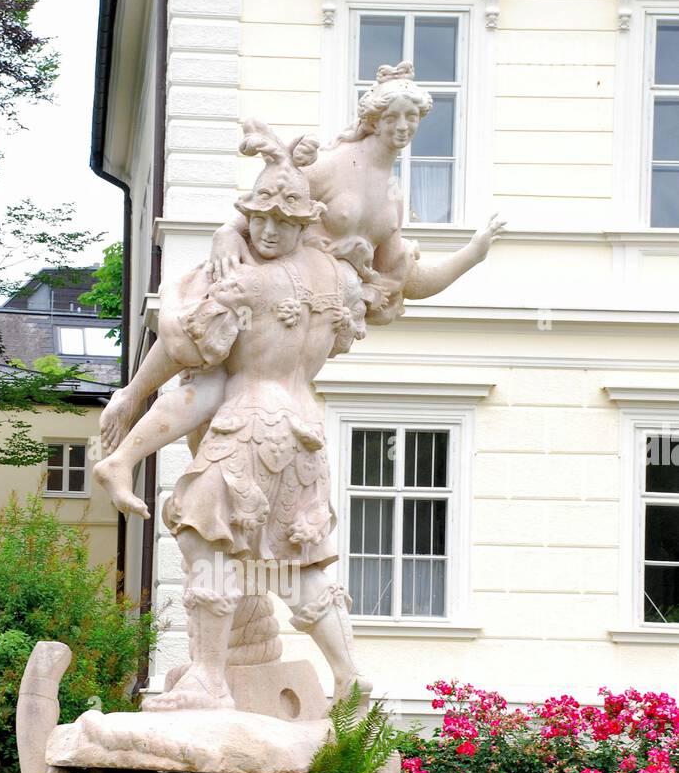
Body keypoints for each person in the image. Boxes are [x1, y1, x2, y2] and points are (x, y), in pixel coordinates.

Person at [94, 61, 505, 507]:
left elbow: (403, 279)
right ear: (372, 119)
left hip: (314, 309)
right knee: (202, 350)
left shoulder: (392, 195)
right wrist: (228, 232)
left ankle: (138, 458)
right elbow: (269, 199)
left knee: (227, 395)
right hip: (274, 287)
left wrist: (472, 254)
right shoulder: (333, 165)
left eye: (412, 117)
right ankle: (131, 409)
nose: (403, 127)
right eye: (392, 116)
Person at [115, 122, 371, 711]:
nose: (269, 230)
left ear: (304, 222)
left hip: (250, 423)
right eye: (257, 219)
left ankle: (208, 678)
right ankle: (349, 674)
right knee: (301, 555)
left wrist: (133, 395)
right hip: (305, 429)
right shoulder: (339, 278)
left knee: (207, 539)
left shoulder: (244, 279)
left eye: (282, 221)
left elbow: (187, 353)